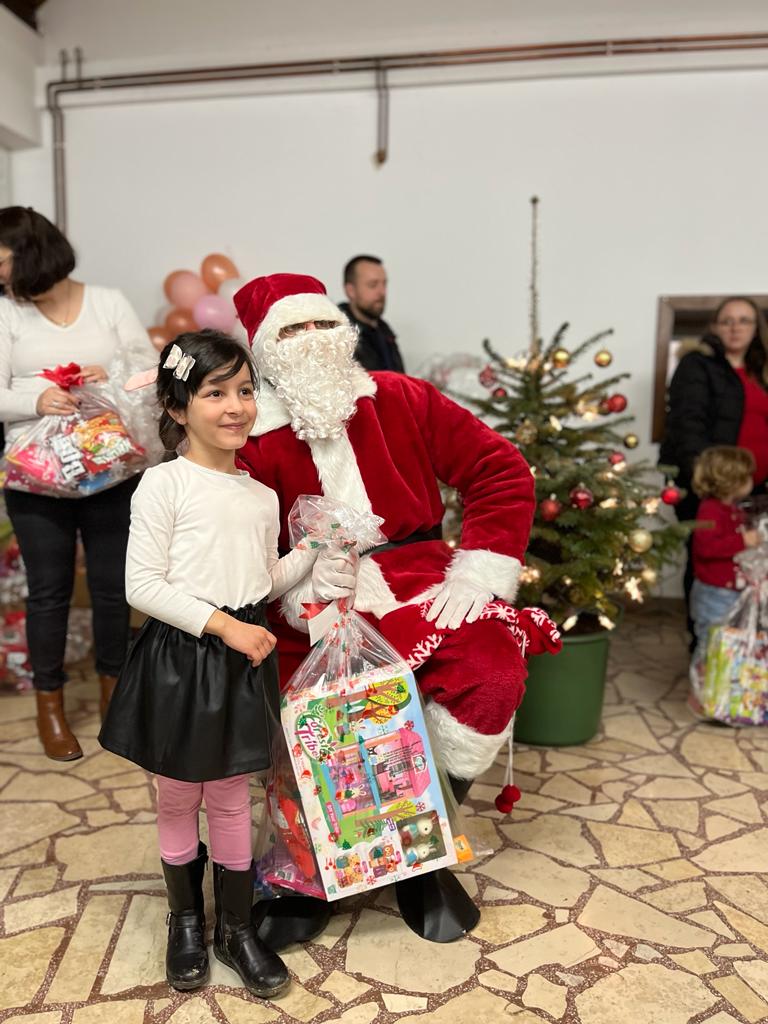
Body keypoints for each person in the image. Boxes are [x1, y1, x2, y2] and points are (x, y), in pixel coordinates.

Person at [233, 273, 549, 945]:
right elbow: (238, 545)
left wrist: (481, 568)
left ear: (345, 329)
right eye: (292, 329)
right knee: (319, 716)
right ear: (263, 350)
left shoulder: (402, 397)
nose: (313, 339)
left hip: (424, 578)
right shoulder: (248, 437)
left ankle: (421, 853)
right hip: (306, 598)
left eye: (323, 323)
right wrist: (298, 587)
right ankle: (311, 868)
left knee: (491, 673)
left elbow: (500, 469)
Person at [99, 330, 356, 997]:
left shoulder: (260, 495)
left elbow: (260, 580)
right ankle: (186, 920)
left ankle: (235, 929)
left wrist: (311, 551)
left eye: (245, 390)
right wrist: (224, 628)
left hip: (242, 655)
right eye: (216, 393)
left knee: (233, 795)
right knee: (180, 791)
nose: (236, 406)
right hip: (182, 657)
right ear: (178, 407)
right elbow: (141, 586)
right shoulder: (163, 485)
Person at [0, 205, 156, 761]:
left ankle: (115, 694)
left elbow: (149, 372)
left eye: (2, 261)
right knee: (49, 592)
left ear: (32, 254)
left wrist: (109, 377)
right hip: (35, 476)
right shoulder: (6, 312)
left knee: (114, 587)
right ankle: (51, 706)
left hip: (110, 468)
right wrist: (35, 398)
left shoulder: (108, 302)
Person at [659, 296, 768, 642]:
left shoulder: (761, 372)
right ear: (715, 327)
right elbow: (687, 427)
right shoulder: (697, 365)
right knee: (709, 563)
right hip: (714, 488)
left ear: (756, 328)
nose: (735, 327)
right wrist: (714, 483)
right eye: (727, 320)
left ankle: (742, 650)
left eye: (744, 320)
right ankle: (704, 646)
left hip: (757, 490)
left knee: (751, 567)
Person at [689, 446, 760, 675]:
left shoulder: (734, 510)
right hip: (714, 594)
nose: (752, 481)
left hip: (731, 591)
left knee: (727, 644)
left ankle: (718, 687)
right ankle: (700, 686)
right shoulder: (710, 511)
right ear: (731, 481)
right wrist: (743, 540)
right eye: (747, 477)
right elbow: (706, 548)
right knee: (711, 643)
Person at [339, 255, 405, 372]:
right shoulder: (337, 335)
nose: (382, 292)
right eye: (373, 285)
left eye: (384, 284)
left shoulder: (385, 332)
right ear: (351, 291)